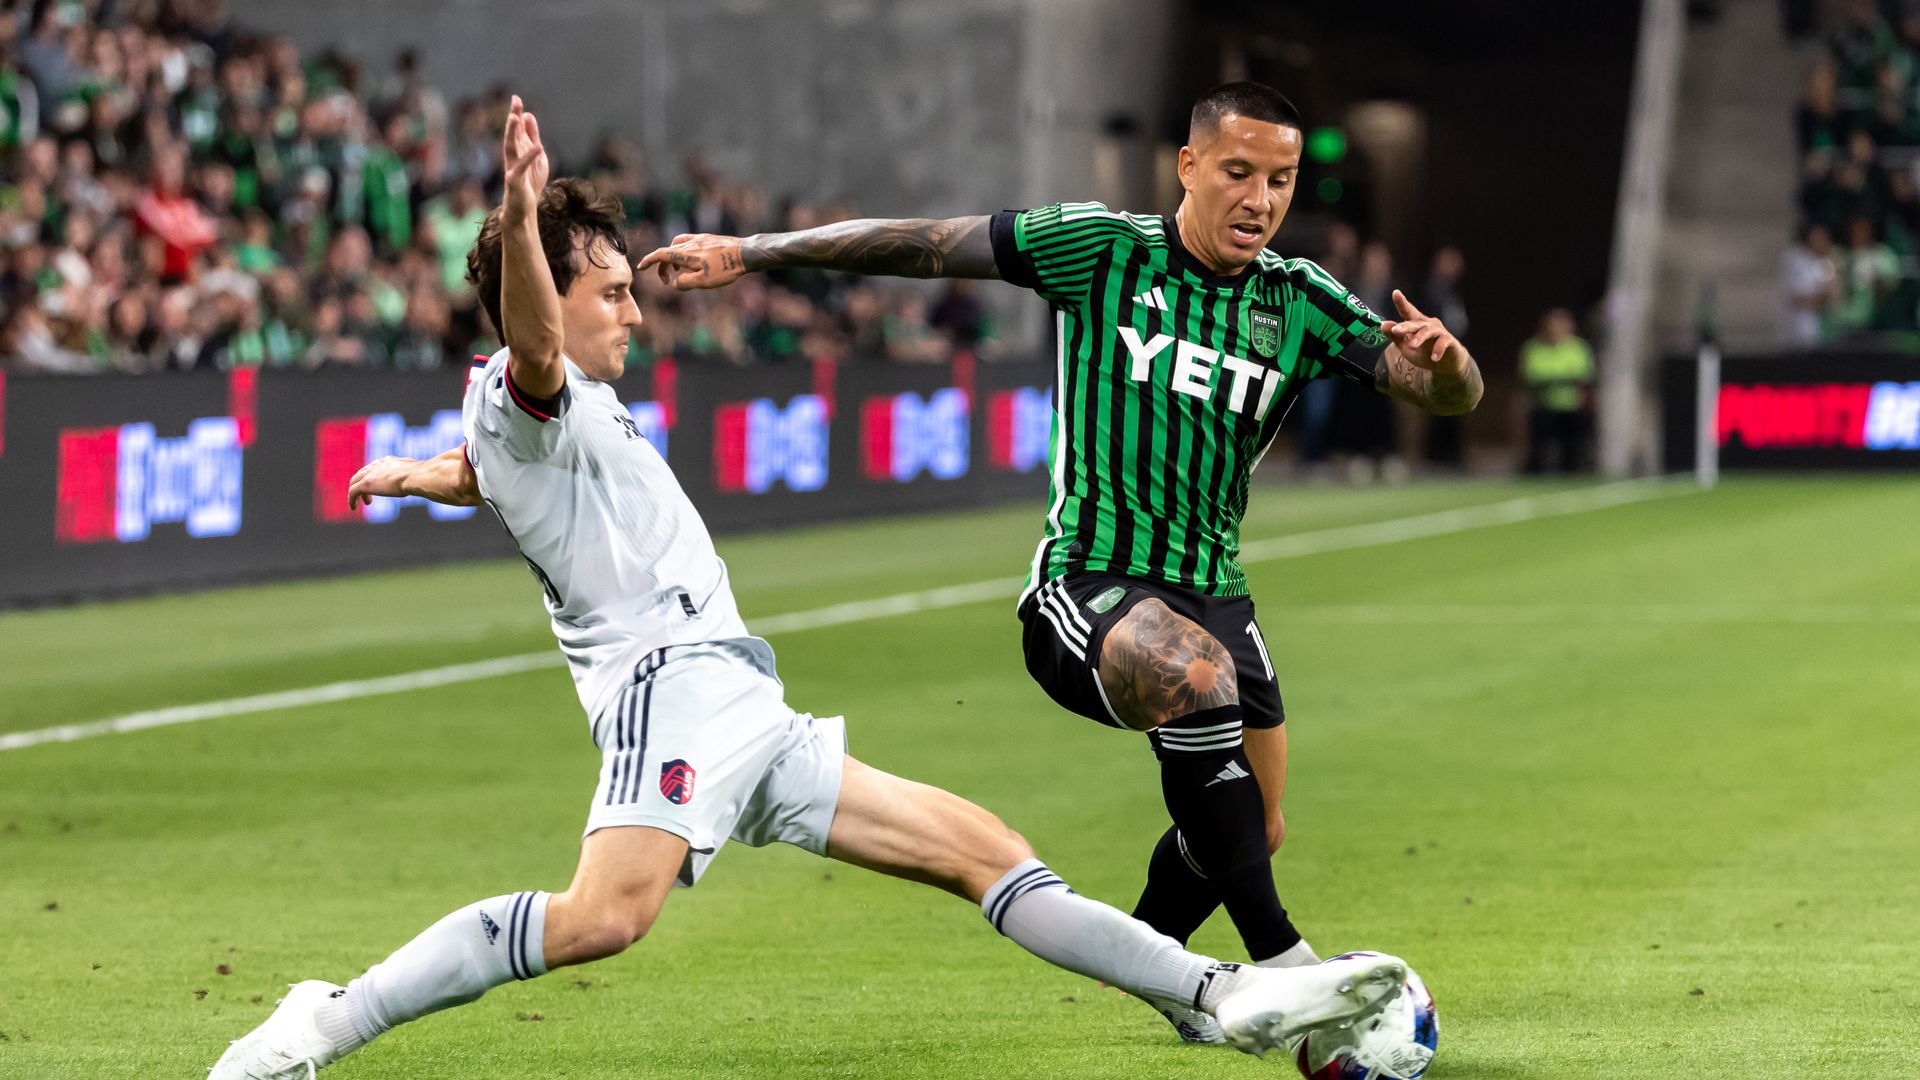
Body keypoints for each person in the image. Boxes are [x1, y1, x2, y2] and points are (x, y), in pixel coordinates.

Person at [207, 96, 1408, 1080]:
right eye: (610, 290)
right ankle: (323, 1021)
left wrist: (426, 476)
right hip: (666, 693)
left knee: (982, 850)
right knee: (600, 920)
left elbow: (509, 463)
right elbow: (525, 361)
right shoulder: (527, 382)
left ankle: (1221, 994)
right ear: (549, 295)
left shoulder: (549, 420)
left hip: (742, 700)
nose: (633, 306)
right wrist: (521, 217)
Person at [640, 80, 1480, 1043]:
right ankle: (1288, 969)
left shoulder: (1297, 301)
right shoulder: (1103, 250)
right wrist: (750, 251)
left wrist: (1449, 365)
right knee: (1194, 680)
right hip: (1088, 588)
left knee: (1250, 827)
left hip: (1219, 594)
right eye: (1240, 173)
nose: (1260, 199)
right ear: (1190, 166)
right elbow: (924, 240)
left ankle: (1156, 970)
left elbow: (1442, 389)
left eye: (1282, 181)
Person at [1519, 308, 1595, 474]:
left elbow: (1584, 376)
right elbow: (1532, 376)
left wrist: (1556, 381)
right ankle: (1538, 467)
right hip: (1544, 406)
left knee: (1577, 437)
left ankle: (1575, 468)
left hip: (1573, 407)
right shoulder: (1534, 348)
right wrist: (1562, 380)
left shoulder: (1578, 348)